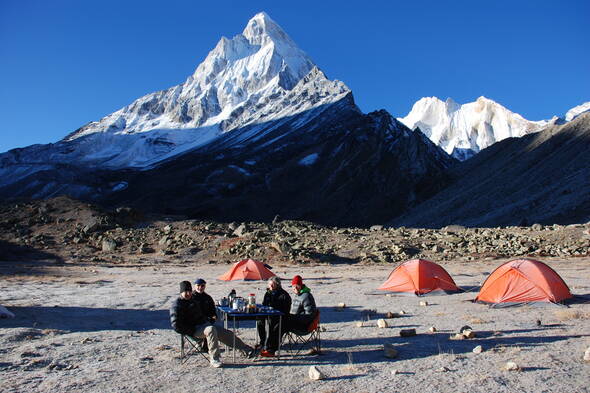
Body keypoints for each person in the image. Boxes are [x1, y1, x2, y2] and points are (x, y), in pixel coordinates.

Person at [170, 281, 255, 367]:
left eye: (189, 291)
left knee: (225, 333)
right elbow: (176, 325)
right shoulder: (177, 305)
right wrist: (191, 331)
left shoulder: (193, 300)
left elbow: (201, 315)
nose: (188, 293)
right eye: (186, 292)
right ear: (181, 292)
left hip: (203, 325)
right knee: (211, 330)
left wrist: (208, 320)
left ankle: (247, 350)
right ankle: (214, 359)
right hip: (194, 330)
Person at [258, 276, 291, 357]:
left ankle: (271, 349)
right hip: (269, 314)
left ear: (278, 285)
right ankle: (263, 343)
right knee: (259, 321)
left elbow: (286, 310)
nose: (271, 286)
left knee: (274, 325)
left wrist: (275, 311)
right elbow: (264, 305)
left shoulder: (284, 295)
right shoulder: (268, 293)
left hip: (281, 317)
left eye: (273, 284)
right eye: (270, 284)